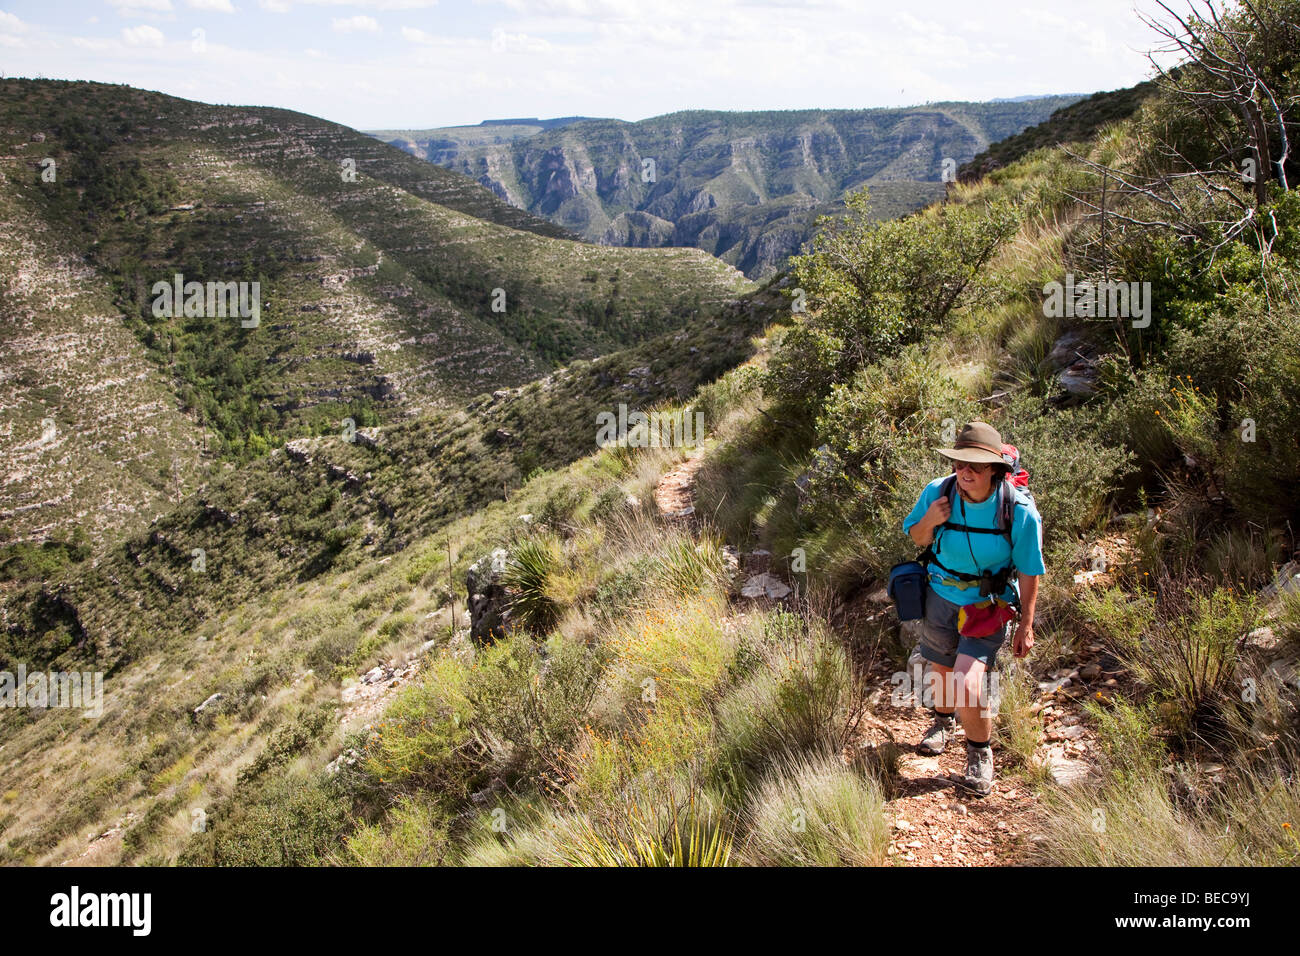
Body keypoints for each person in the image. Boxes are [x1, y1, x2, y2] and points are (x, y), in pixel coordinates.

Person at [901, 421, 1045, 796]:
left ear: (995, 469)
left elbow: (1030, 570)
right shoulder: (938, 491)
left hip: (987, 605)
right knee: (941, 667)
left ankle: (979, 752)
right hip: (939, 595)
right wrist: (930, 520)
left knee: (967, 682)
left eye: (976, 466)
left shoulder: (1018, 511)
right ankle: (942, 722)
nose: (965, 472)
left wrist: (1027, 624)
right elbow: (917, 537)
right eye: (960, 462)